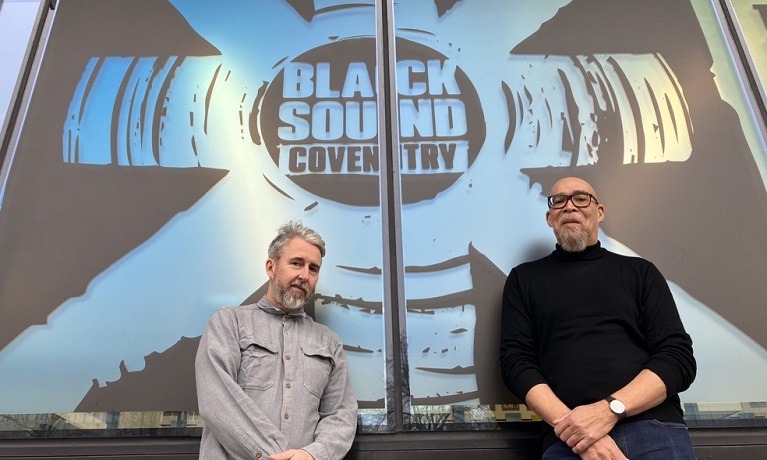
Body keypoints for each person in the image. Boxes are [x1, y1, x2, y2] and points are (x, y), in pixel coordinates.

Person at [500, 177, 697, 459]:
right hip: (566, 441)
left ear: (599, 212)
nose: (570, 207)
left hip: (654, 431)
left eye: (581, 198)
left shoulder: (640, 272)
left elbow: (677, 358)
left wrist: (608, 411)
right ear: (549, 217)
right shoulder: (523, 280)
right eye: (559, 200)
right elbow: (516, 364)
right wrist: (579, 431)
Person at [196, 221, 358, 460]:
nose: (304, 275)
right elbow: (216, 400)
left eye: (313, 269)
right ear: (271, 267)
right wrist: (273, 455)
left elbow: (341, 415)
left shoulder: (329, 343)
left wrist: (313, 455)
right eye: (296, 263)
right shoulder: (229, 322)